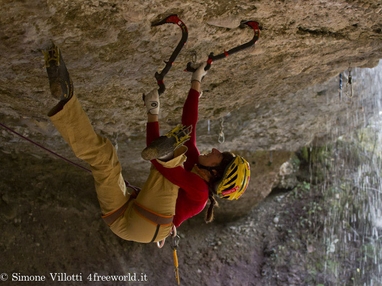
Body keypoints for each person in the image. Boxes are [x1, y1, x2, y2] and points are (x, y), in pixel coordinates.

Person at [42, 43, 250, 244]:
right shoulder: (196, 167)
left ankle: (171, 150)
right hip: (125, 217)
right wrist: (195, 83)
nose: (215, 149)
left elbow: (159, 163)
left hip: (149, 224)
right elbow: (189, 126)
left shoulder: (200, 191)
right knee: (104, 158)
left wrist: (154, 117)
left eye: (219, 155)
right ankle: (66, 101)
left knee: (172, 167)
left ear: (214, 172)